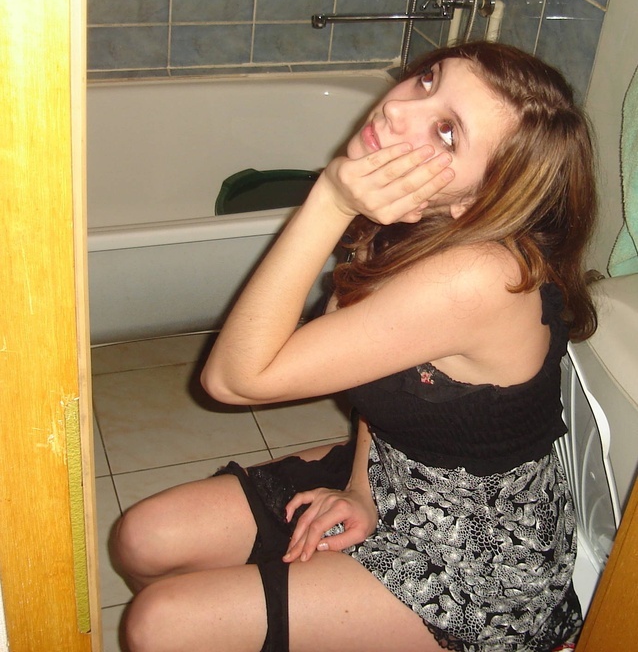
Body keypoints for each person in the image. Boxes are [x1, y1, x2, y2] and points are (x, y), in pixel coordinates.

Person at [112, 41, 597, 652]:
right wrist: (361, 487)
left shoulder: (479, 278)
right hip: (390, 474)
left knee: (159, 624)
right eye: (428, 80)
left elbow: (234, 379)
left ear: (474, 200)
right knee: (140, 540)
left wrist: (331, 199)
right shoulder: (408, 221)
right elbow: (377, 375)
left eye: (447, 132)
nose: (398, 109)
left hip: (477, 561)